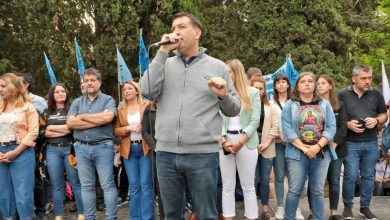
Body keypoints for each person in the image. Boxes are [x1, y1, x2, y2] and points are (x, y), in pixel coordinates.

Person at [140, 12, 241, 219]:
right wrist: (162, 52)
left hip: (202, 155)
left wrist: (223, 96)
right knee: (171, 214)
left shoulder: (217, 66)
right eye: (173, 27)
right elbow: (147, 90)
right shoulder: (164, 64)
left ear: (197, 33)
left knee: (206, 214)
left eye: (181, 27)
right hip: (166, 154)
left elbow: (234, 108)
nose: (175, 31)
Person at [281, 72, 336, 220]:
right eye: (303, 81)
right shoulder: (289, 105)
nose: (307, 83)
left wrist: (317, 147)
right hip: (297, 153)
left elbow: (331, 128)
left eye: (310, 81)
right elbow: (288, 131)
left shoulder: (325, 104)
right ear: (297, 86)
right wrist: (305, 149)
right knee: (294, 190)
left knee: (317, 191)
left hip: (321, 153)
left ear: (314, 85)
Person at [67, 68, 118, 220]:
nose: (89, 83)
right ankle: (89, 218)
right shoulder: (76, 102)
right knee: (86, 186)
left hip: (103, 147)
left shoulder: (108, 100)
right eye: (86, 80)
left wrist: (82, 117)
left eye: (92, 80)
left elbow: (107, 119)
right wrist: (96, 120)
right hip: (81, 148)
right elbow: (70, 123)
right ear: (83, 83)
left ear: (99, 82)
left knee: (107, 185)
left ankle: (111, 218)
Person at [338, 64, 388, 220]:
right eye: (363, 78)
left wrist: (376, 120)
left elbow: (384, 115)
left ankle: (365, 207)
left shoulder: (377, 94)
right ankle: (347, 208)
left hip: (371, 142)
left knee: (368, 176)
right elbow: (335, 117)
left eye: (370, 78)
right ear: (354, 79)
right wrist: (348, 124)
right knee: (350, 176)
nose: (368, 81)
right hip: (350, 143)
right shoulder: (342, 94)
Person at [219, 59, 260, 219]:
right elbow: (216, 119)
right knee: (227, 186)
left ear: (237, 73)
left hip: (246, 142)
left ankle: (251, 216)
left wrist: (240, 142)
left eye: (228, 71)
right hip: (225, 141)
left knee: (248, 186)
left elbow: (255, 121)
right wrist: (224, 141)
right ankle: (228, 217)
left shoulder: (252, 93)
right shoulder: (221, 94)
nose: (226, 75)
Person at [307, 75, 347, 220]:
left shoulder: (340, 105)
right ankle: (313, 212)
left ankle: (334, 213)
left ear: (330, 86)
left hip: (336, 149)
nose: (319, 86)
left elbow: (343, 127)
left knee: (334, 181)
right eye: (318, 83)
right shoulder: (312, 104)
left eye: (323, 83)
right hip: (317, 149)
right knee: (315, 181)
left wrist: (334, 143)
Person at [0, 73, 39, 220]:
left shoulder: (28, 107)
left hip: (22, 153)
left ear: (14, 87)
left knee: (23, 194)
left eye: (3, 86)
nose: (0, 89)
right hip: (1, 153)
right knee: (4, 194)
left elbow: (33, 132)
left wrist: (15, 152)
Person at [44, 83, 84, 220]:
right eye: (57, 92)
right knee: (57, 184)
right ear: (52, 95)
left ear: (66, 93)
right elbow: (44, 132)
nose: (60, 94)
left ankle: (81, 213)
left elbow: (72, 129)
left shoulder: (73, 109)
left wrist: (52, 129)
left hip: (70, 149)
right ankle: (59, 215)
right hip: (52, 151)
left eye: (62, 91)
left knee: (76, 183)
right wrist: (64, 128)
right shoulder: (47, 111)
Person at [114, 80, 153, 220]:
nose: (126, 91)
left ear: (137, 91)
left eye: (130, 88)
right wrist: (128, 129)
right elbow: (116, 131)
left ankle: (147, 217)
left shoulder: (147, 105)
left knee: (146, 186)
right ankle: (135, 217)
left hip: (145, 149)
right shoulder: (120, 109)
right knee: (134, 187)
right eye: (124, 89)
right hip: (128, 150)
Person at [16, 72, 49, 219]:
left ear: (26, 84)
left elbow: (45, 124)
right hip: (16, 148)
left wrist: (33, 141)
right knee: (19, 182)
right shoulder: (9, 100)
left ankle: (41, 211)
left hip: (36, 147)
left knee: (36, 180)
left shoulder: (38, 101)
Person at [272, 73, 306, 219]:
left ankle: (295, 207)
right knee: (279, 176)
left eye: (283, 82)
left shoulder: (295, 102)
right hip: (278, 143)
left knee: (294, 177)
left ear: (288, 84)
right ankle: (280, 207)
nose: (280, 84)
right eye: (278, 82)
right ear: (274, 86)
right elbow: (271, 124)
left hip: (294, 144)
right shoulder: (270, 102)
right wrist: (280, 136)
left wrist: (292, 138)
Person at [251, 74, 279, 219]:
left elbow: (275, 127)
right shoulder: (246, 105)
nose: (258, 91)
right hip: (249, 146)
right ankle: (251, 210)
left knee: (264, 179)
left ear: (264, 90)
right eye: (255, 88)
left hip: (267, 147)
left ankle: (265, 209)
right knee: (252, 180)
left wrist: (266, 143)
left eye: (260, 88)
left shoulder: (270, 106)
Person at [142, 98, 165, 219]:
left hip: (176, 150)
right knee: (161, 189)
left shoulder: (175, 106)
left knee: (177, 189)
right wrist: (155, 146)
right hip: (158, 153)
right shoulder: (149, 109)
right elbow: (145, 131)